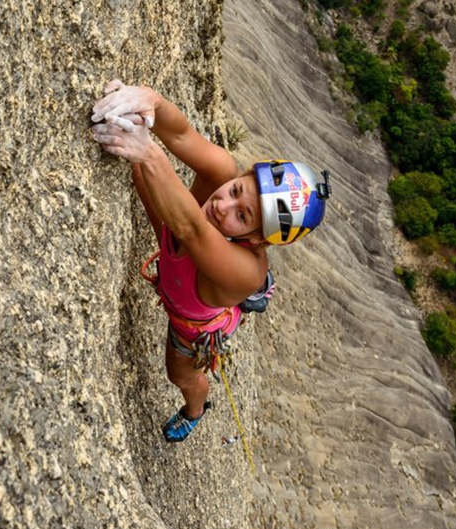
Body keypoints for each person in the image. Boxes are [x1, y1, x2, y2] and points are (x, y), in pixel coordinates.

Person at [91, 79, 330, 442]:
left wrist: (149, 153)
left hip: (191, 323)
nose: (221, 205)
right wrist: (150, 102)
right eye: (236, 190)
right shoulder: (223, 175)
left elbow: (193, 230)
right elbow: (183, 135)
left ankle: (195, 410)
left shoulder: (247, 271)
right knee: (142, 167)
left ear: (257, 239)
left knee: (181, 375)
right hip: (176, 246)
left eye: (243, 216)